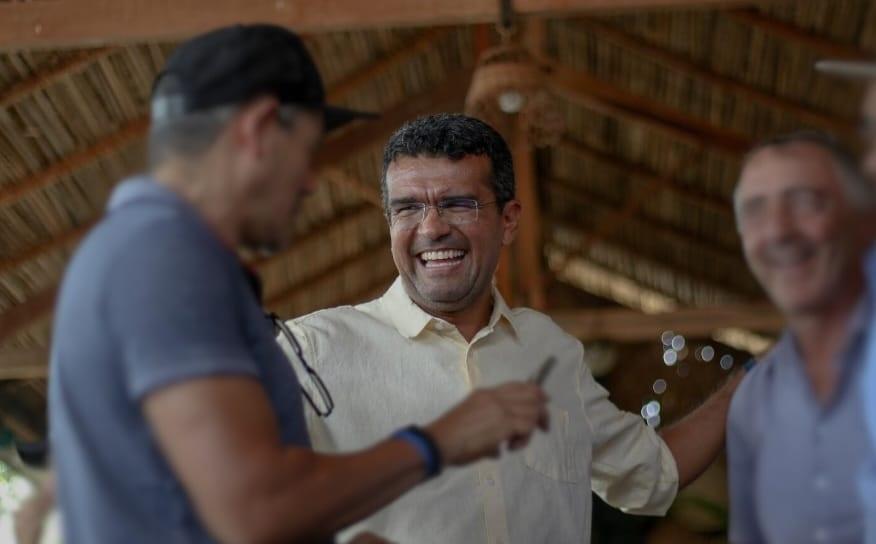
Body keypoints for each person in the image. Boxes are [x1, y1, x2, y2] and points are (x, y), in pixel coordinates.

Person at [48, 26, 549, 544]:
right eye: (307, 152)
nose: (310, 182)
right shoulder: (166, 259)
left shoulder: (135, 252)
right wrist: (437, 442)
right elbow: (255, 510)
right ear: (260, 129)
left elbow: (187, 502)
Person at [278, 113, 745, 543]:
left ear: (508, 220)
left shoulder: (549, 349)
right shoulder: (312, 351)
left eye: (458, 204)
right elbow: (250, 507)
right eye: (407, 208)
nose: (432, 227)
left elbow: (651, 475)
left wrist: (742, 387)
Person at [727, 131, 876, 544]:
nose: (778, 230)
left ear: (865, 222)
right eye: (755, 210)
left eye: (806, 202)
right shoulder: (753, 403)